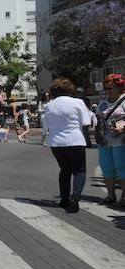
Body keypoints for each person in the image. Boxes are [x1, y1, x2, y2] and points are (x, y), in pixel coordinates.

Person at [44, 78, 94, 213]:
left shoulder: (49, 105)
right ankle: (75, 197)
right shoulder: (77, 102)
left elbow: (46, 125)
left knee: (64, 170)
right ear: (70, 89)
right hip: (75, 140)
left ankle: (64, 198)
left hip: (56, 142)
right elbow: (85, 122)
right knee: (79, 171)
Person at [95, 74, 125, 206]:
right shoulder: (103, 100)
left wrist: (123, 128)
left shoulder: (124, 100)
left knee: (121, 167)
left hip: (121, 140)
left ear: (119, 88)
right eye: (105, 88)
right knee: (106, 167)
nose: (107, 91)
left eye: (110, 88)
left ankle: (124, 197)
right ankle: (110, 195)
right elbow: (98, 115)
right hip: (104, 140)